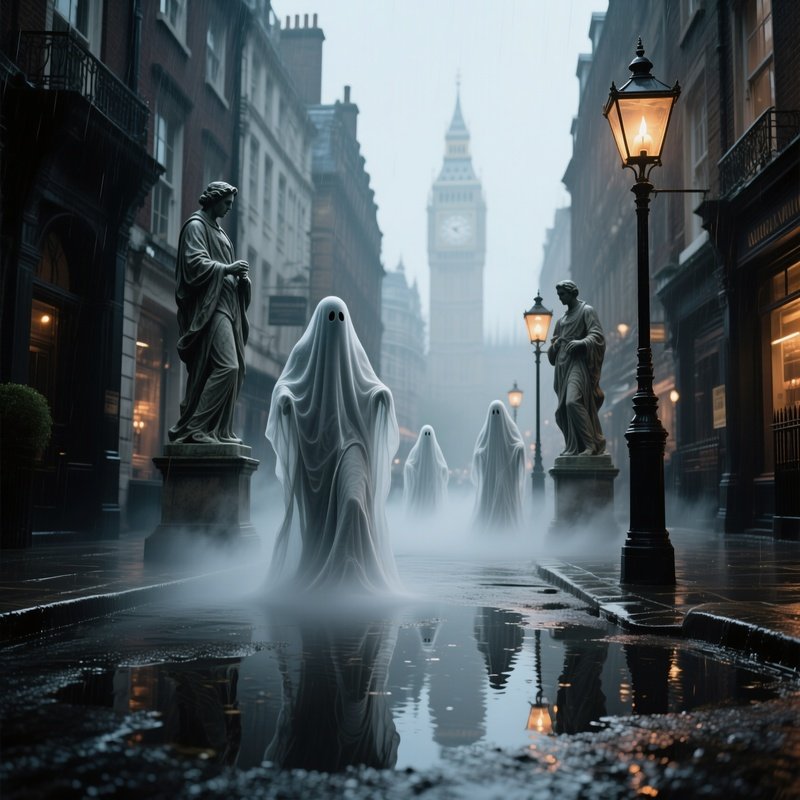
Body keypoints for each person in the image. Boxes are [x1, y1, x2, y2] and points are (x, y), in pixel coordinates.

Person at [265, 296, 402, 593]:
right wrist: (287, 399)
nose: (335, 325)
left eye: (340, 318)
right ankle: (323, 571)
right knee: (317, 522)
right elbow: (285, 384)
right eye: (330, 318)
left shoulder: (355, 354)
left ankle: (354, 570)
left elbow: (371, 382)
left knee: (354, 501)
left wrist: (381, 395)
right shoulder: (304, 352)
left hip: (353, 444)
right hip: (315, 446)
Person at [168, 181, 250, 444]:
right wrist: (227, 269)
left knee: (234, 370)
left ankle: (218, 430)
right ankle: (196, 427)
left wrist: (242, 281)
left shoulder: (221, 232)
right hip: (212, 309)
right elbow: (194, 263)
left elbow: (224, 270)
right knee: (228, 366)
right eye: (226, 203)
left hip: (228, 306)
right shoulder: (196, 226)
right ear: (214, 199)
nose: (228, 209)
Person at [547, 280, 606, 456]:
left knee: (572, 402)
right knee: (564, 409)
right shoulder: (561, 321)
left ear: (572, 293)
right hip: (562, 368)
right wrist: (556, 346)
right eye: (558, 296)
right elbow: (551, 357)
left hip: (578, 365)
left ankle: (590, 445)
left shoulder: (586, 311)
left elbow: (597, 336)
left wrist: (581, 343)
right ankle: (573, 446)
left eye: (562, 295)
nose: (560, 299)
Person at [471, 400, 526, 530]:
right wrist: (479, 455)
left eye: (498, 413)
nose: (495, 416)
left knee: (504, 506)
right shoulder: (485, 443)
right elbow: (479, 453)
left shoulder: (511, 442)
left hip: (506, 484)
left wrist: (519, 448)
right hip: (489, 484)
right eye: (493, 413)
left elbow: (517, 446)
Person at [403, 425, 449, 515]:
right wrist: (409, 468)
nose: (427, 436)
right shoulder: (417, 453)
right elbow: (410, 465)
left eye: (429, 434)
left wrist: (442, 471)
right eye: (425, 434)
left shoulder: (435, 454)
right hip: (420, 492)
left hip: (431, 491)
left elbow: (443, 468)